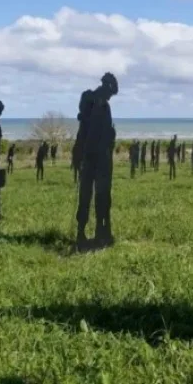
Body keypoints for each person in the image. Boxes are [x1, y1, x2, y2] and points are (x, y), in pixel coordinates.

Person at [73, 72, 118, 251]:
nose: (110, 96)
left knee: (102, 197)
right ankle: (82, 232)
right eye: (110, 92)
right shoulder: (90, 100)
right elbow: (87, 129)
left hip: (100, 158)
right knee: (87, 196)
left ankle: (101, 231)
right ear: (106, 87)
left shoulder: (102, 105)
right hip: (92, 157)